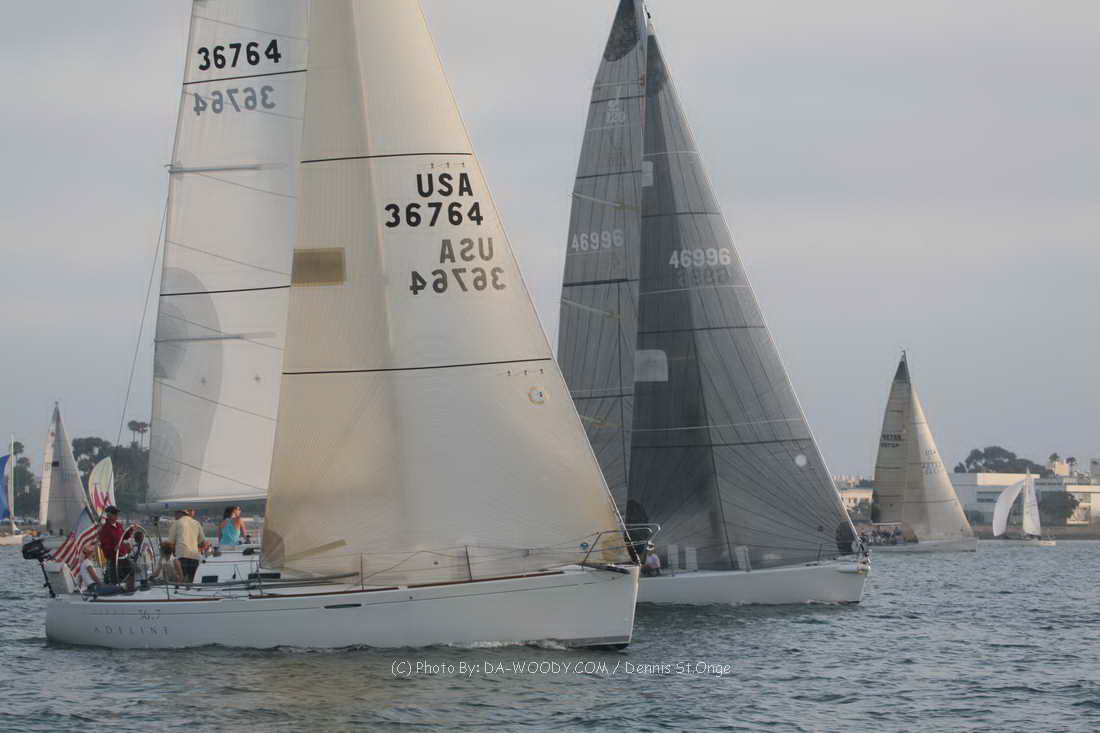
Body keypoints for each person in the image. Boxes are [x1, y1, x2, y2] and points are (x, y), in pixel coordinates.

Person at [168, 508, 207, 582]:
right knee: (191, 580)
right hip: (195, 557)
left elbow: (170, 543)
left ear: (180, 513)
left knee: (181, 579)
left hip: (182, 555)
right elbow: (203, 543)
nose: (174, 516)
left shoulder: (176, 523)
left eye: (175, 513)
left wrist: (172, 554)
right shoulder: (196, 523)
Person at [97, 506, 125, 583]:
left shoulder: (119, 525)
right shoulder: (105, 529)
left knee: (132, 571)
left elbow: (124, 536)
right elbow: (104, 545)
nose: (117, 515)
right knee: (116, 580)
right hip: (113, 560)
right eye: (114, 513)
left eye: (116, 513)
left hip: (123, 557)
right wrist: (113, 549)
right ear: (109, 515)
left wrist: (131, 530)